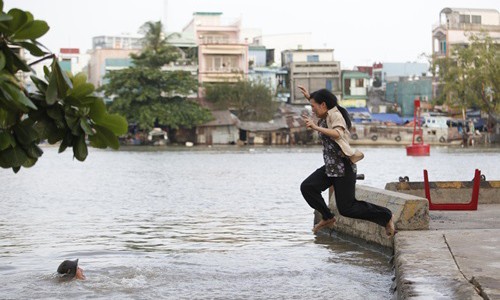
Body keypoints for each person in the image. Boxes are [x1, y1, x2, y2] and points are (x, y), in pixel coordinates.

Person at [298, 86, 395, 236]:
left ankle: (386, 216)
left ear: (323, 105)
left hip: (343, 167)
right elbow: (320, 107)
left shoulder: (336, 115)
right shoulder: (326, 114)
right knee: (307, 187)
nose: (312, 110)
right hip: (331, 167)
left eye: (313, 106)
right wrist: (309, 96)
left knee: (347, 209)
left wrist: (316, 127)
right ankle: (328, 217)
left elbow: (337, 133)